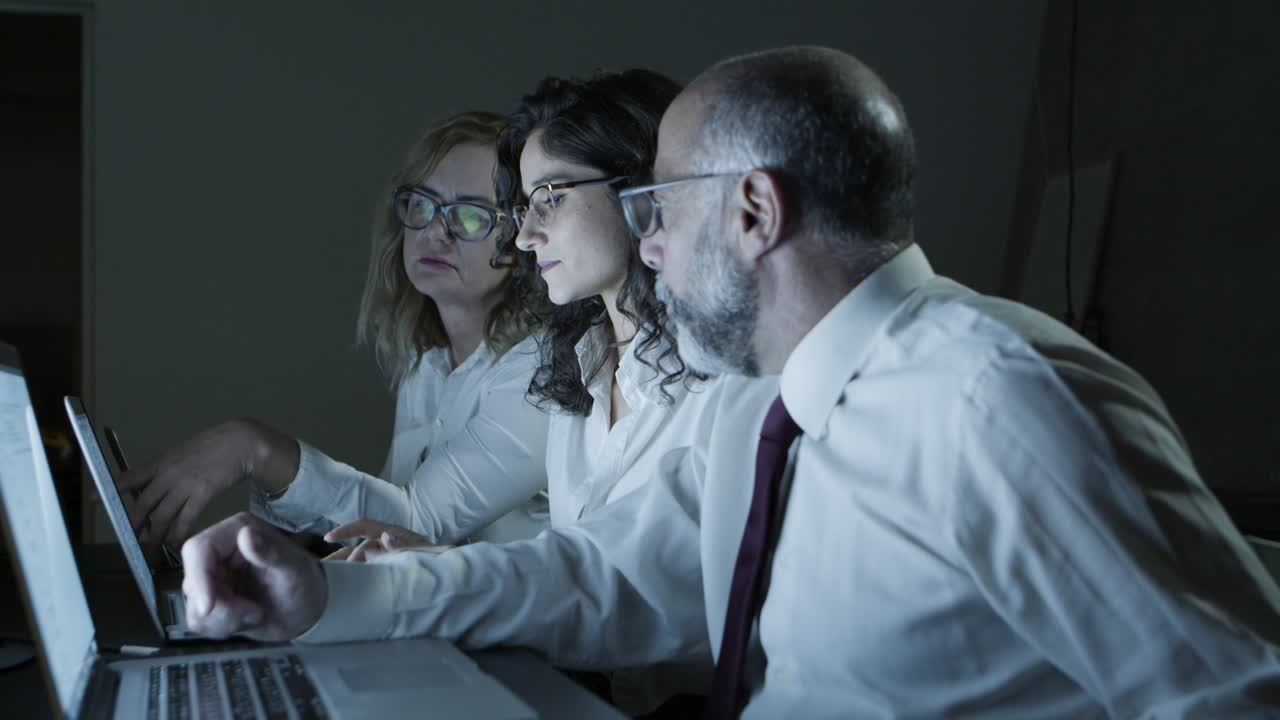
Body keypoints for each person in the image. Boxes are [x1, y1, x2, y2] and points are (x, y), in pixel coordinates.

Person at [179, 47, 1280, 718]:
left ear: (753, 211)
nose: (648, 245)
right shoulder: (766, 407)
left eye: (659, 205)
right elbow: (604, 576)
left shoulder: (996, 396)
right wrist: (331, 597)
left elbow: (1232, 694)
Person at [331, 71, 778, 715]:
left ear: (639, 185)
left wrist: (436, 576)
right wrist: (437, 563)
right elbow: (584, 572)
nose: (523, 236)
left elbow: (641, 588)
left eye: (551, 198)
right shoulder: (572, 365)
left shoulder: (730, 376)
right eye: (524, 207)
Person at [121, 112, 551, 547]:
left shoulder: (540, 371)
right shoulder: (429, 364)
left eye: (471, 215)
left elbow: (414, 523)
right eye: (422, 205)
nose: (435, 232)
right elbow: (384, 541)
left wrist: (252, 447)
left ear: (522, 238)